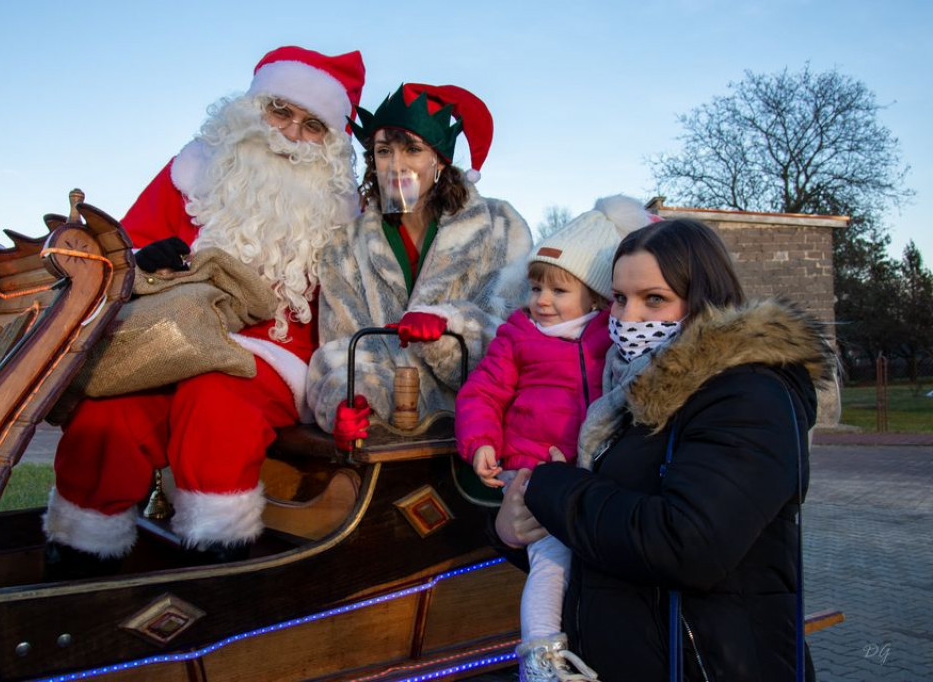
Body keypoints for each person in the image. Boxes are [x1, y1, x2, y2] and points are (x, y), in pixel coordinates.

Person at [42, 46, 366, 574]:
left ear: (330, 144)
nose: (289, 133)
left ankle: (221, 555)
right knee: (110, 417)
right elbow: (125, 249)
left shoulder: (341, 213)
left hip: (270, 351)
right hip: (165, 338)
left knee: (216, 403)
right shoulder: (190, 171)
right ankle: (79, 554)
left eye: (312, 125)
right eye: (279, 111)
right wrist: (143, 262)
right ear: (252, 107)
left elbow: (356, 302)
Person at [495, 218, 834, 681]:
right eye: (618, 298)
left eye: (653, 299)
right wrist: (514, 529)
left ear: (702, 301)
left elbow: (687, 545)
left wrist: (556, 490)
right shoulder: (625, 393)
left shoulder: (748, 393)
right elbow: (608, 539)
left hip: (710, 665)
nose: (627, 317)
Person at [455, 196, 653, 682]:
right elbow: (483, 391)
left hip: (593, 470)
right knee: (552, 560)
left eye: (558, 290)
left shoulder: (613, 335)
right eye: (537, 286)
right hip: (536, 471)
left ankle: (597, 645)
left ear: (596, 296)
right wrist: (480, 440)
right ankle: (541, 656)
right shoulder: (519, 336)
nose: (542, 299)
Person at [305, 83, 532, 448]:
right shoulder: (343, 246)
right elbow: (339, 346)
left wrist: (449, 327)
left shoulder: (499, 226)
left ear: (439, 160)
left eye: (412, 149)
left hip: (478, 432)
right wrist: (347, 401)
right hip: (385, 436)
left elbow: (517, 335)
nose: (396, 165)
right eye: (383, 151)